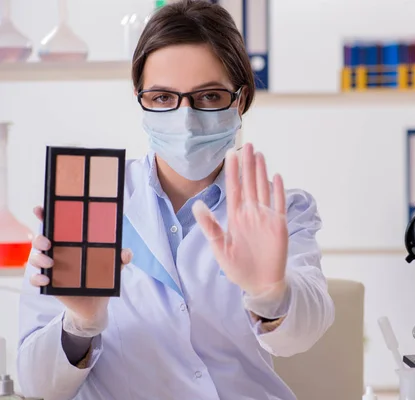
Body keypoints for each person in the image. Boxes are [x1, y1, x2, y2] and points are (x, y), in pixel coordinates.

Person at [16, 1, 335, 399]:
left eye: (209, 96)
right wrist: (79, 323)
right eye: (163, 98)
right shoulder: (84, 204)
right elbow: (37, 385)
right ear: (140, 98)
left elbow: (302, 334)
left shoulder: (279, 208)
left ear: (240, 99)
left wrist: (271, 293)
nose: (185, 118)